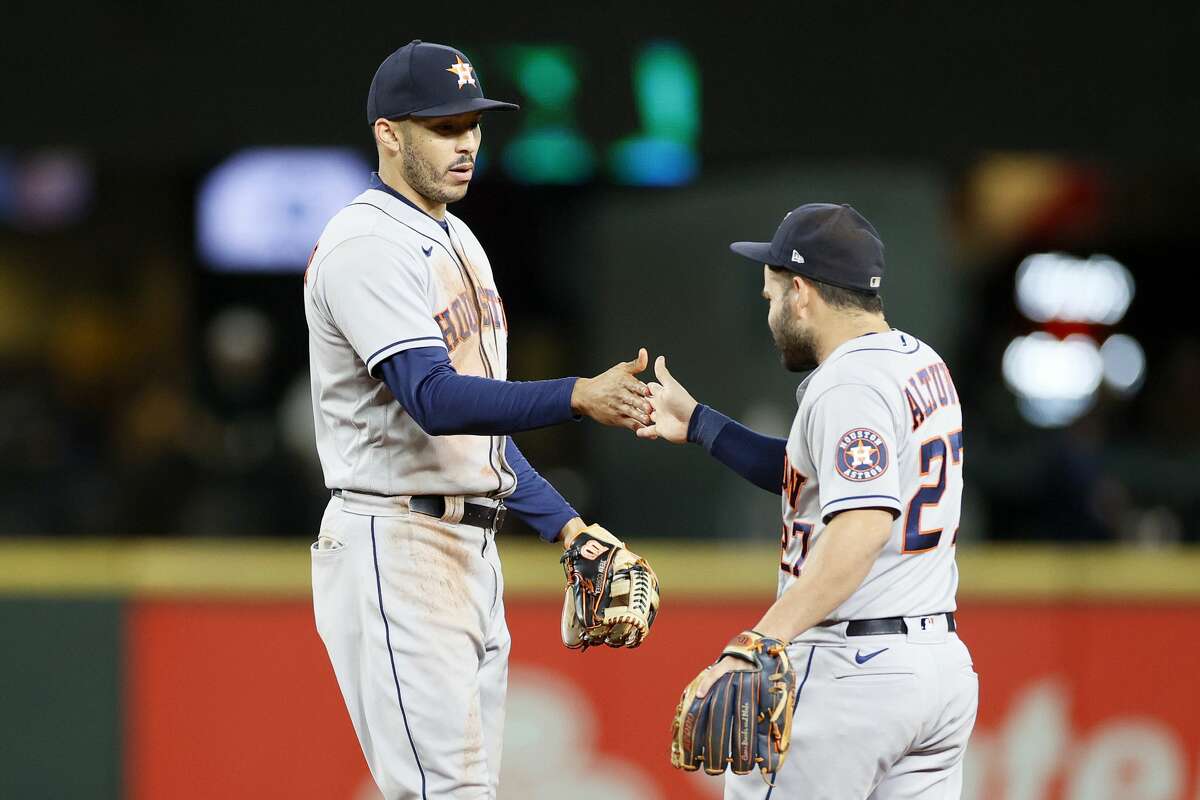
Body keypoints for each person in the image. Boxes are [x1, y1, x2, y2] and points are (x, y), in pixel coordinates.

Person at [303, 40, 653, 799]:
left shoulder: (457, 238)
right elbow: (433, 399)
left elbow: (479, 436)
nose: (465, 142)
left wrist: (565, 525)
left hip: (464, 544)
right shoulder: (367, 244)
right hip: (395, 540)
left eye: (472, 124)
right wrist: (576, 395)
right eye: (442, 126)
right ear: (389, 133)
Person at [643, 204, 978, 798]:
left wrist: (758, 641)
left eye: (771, 296)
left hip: (852, 672)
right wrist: (699, 423)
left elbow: (861, 528)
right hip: (937, 667)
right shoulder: (921, 361)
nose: (769, 311)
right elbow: (826, 477)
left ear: (801, 293)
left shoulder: (847, 384)